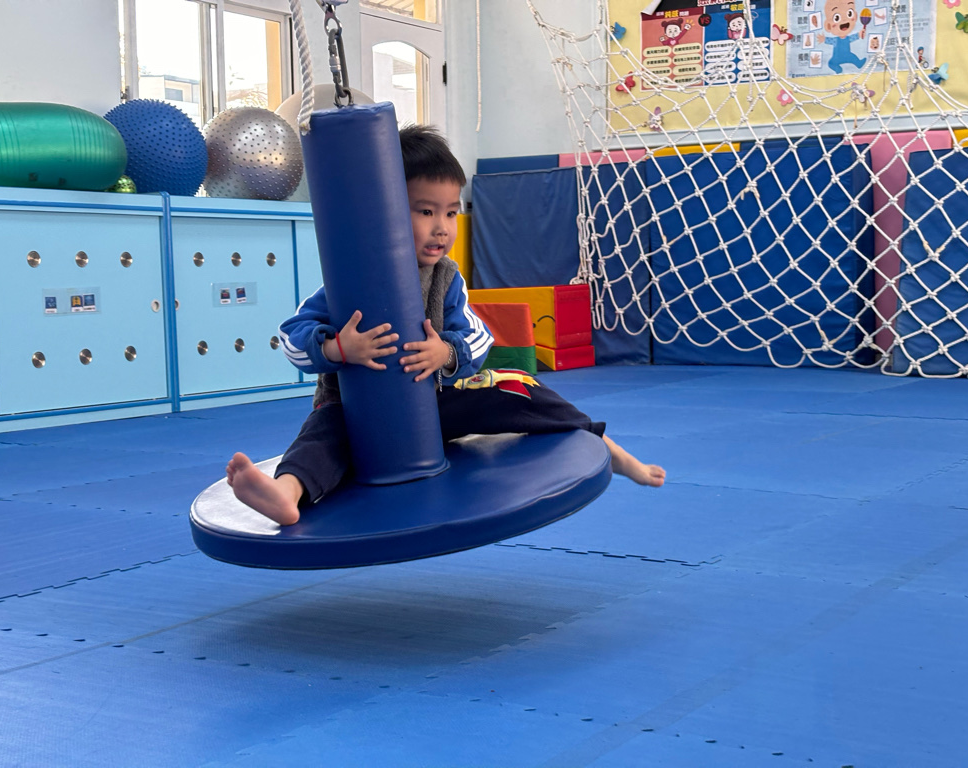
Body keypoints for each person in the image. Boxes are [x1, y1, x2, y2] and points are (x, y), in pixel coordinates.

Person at [227, 125, 665, 526]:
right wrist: (337, 349)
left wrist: (447, 352)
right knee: (322, 437)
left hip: (435, 403)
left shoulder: (446, 277)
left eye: (452, 213)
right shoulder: (352, 275)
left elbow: (478, 335)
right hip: (357, 412)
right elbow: (291, 335)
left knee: (520, 386)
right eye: (425, 211)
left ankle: (608, 448)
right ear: (384, 209)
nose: (442, 228)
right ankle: (286, 494)